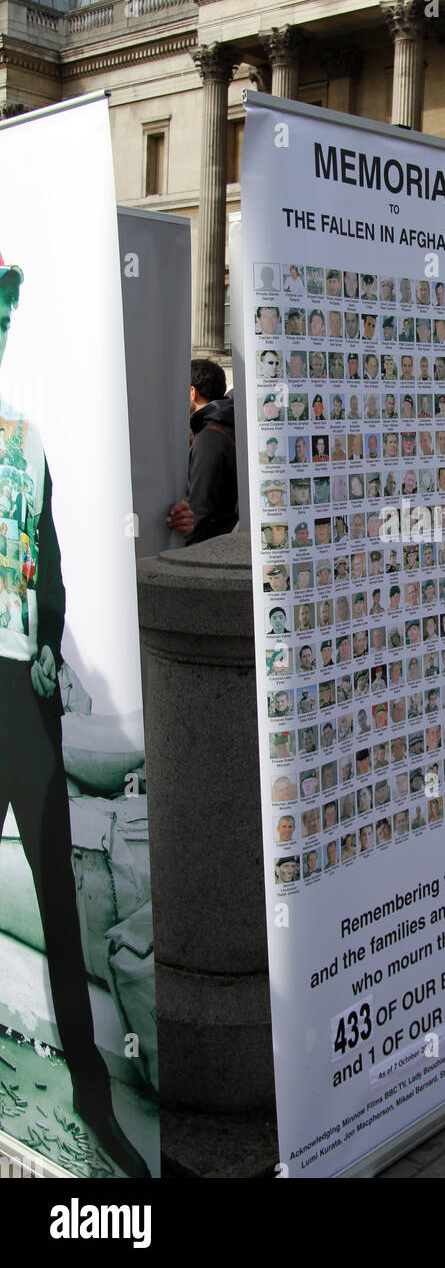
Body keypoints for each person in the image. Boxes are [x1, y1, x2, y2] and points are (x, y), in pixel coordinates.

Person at [0, 255, 148, 1177]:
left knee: (56, 893)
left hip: (22, 691)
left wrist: (50, 644)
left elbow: (47, 558)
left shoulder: (26, 438)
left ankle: (93, 1100)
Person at [167, 359, 237, 545]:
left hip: (211, 546)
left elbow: (199, 508)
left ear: (192, 392)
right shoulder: (228, 423)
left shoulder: (210, 437)